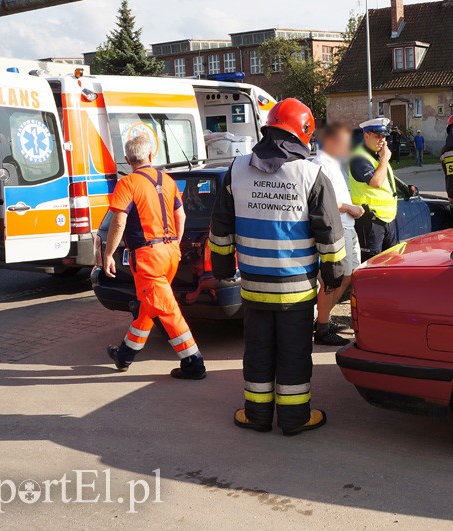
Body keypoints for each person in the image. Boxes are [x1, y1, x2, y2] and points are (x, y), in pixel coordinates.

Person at [209, 98, 345, 436]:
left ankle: (256, 415)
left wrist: (223, 268)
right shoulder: (311, 174)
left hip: (254, 288)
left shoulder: (236, 169)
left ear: (268, 129)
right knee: (294, 352)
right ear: (303, 134)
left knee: (257, 351)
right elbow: (329, 234)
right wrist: (333, 275)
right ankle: (294, 418)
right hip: (296, 290)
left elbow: (220, 228)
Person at [104, 135, 205, 379]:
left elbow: (119, 221)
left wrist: (108, 254)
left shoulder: (127, 183)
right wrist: (175, 244)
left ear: (128, 160)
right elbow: (180, 217)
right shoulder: (168, 181)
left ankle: (194, 364)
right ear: (151, 156)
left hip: (148, 257)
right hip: (170, 252)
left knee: (166, 309)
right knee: (149, 305)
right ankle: (125, 354)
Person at [310, 122, 364, 346]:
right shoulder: (320, 163)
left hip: (346, 226)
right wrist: (351, 208)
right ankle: (322, 327)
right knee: (332, 280)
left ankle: (323, 319)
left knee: (347, 276)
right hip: (336, 228)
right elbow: (325, 201)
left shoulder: (333, 162)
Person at [349, 117, 399, 261]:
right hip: (370, 222)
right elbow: (376, 182)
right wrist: (385, 159)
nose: (382, 140)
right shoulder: (359, 157)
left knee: (392, 261)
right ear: (366, 135)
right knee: (372, 264)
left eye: (384, 136)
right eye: (377, 136)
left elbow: (385, 183)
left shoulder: (376, 157)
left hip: (387, 220)